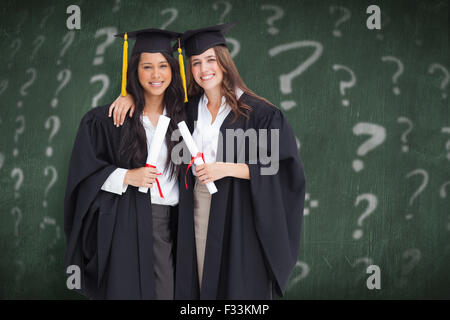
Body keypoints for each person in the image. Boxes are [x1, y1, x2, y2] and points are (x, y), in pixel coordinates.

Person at [109, 23, 306, 300]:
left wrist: (224, 168)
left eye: (211, 60)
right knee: (201, 281)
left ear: (224, 63)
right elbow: (156, 105)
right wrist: (129, 95)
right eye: (196, 63)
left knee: (239, 286)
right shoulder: (187, 112)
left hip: (241, 210)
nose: (204, 69)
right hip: (198, 206)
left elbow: (279, 167)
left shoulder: (259, 113)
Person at [63, 28, 186, 299]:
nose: (156, 75)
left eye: (163, 66)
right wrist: (126, 176)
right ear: (134, 71)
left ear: (173, 70)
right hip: (126, 220)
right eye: (147, 67)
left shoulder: (186, 117)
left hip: (175, 222)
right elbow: (82, 175)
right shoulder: (108, 120)